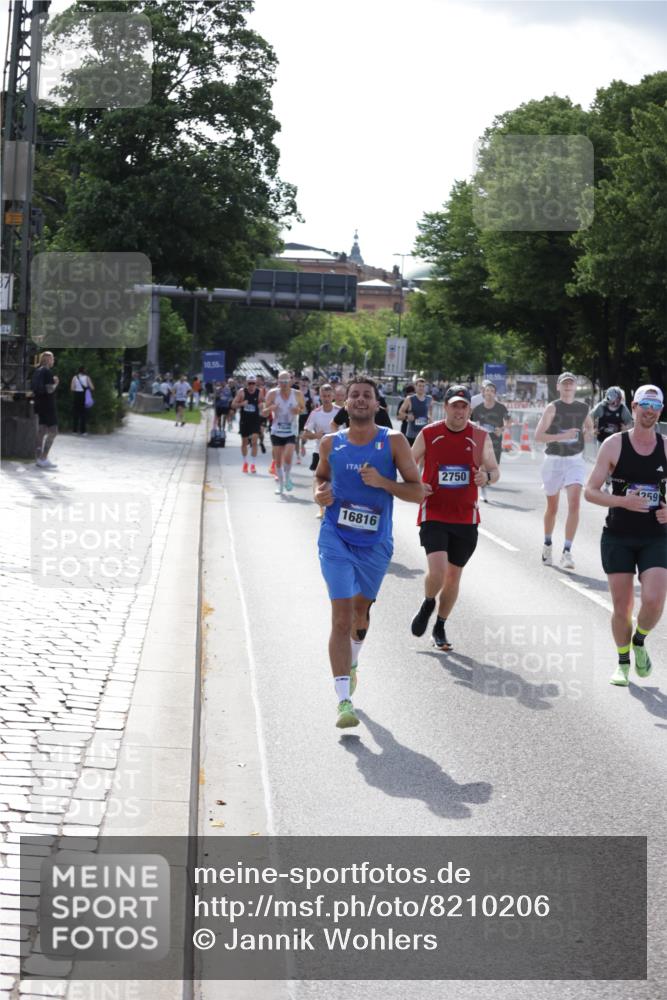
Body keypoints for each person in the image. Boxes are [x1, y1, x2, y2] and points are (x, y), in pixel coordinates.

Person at [314, 377, 427, 728]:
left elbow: (418, 491)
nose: (361, 400)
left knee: (361, 613)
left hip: (376, 543)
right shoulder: (330, 443)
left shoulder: (392, 441)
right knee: (341, 617)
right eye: (355, 396)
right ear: (345, 404)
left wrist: (384, 483)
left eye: (367, 396)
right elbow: (320, 478)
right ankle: (343, 700)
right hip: (335, 536)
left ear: (378, 404)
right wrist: (320, 494)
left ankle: (354, 661)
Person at [584, 385, 667, 686]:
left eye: (655, 406)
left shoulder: (665, 446)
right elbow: (590, 491)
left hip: (655, 535)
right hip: (618, 534)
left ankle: (640, 640)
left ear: (660, 410)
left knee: (655, 601)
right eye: (645, 404)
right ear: (633, 407)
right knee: (622, 606)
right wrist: (622, 501)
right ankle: (622, 663)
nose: (650, 410)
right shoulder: (613, 445)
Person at [409, 384, 500, 651]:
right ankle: (428, 602)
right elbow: (409, 465)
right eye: (454, 405)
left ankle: (440, 625)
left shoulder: (480, 436)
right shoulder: (429, 433)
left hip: (466, 519)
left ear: (469, 409)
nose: (459, 411)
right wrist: (416, 484)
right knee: (437, 572)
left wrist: (487, 477)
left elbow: (495, 471)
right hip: (434, 512)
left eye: (464, 406)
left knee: (453, 578)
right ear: (445, 407)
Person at [534, 372, 594, 570]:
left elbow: (589, 431)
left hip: (574, 461)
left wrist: (587, 434)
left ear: (576, 387)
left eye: (571, 384)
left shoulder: (583, 408)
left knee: (575, 504)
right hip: (553, 461)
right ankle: (547, 544)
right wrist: (563, 436)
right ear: (559, 387)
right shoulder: (552, 407)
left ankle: (567, 551)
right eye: (564, 384)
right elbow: (538, 436)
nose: (568, 387)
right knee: (552, 507)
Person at [262, 371, 305, 494]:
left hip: (291, 430)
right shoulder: (272, 394)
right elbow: (264, 413)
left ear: (291, 381)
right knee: (278, 460)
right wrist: (270, 408)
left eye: (286, 381)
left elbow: (303, 409)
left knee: (288, 456)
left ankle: (287, 478)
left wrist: (298, 410)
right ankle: (280, 485)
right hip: (276, 430)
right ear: (278, 381)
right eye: (281, 381)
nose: (284, 384)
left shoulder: (297, 394)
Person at [303, 384, 339, 517]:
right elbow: (305, 434)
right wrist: (315, 435)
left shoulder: (340, 411)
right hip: (319, 451)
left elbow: (350, 429)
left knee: (335, 479)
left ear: (333, 396)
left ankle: (334, 505)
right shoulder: (315, 413)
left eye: (329, 396)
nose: (326, 399)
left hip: (337, 452)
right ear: (320, 396)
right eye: (324, 396)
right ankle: (321, 508)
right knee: (318, 479)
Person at [471, 381, 511, 501]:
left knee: (494, 467)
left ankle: (485, 483)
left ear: (494, 394)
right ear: (484, 392)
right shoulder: (478, 409)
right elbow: (472, 423)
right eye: (487, 390)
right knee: (483, 466)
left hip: (496, 441)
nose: (489, 393)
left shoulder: (501, 407)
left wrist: (502, 429)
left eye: (492, 391)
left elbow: (509, 421)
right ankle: (483, 491)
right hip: (482, 441)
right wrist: (477, 429)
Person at [31, 351, 59, 469]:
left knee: (41, 431)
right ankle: (44, 457)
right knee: (53, 431)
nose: (53, 361)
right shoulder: (47, 372)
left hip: (39, 404)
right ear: (48, 360)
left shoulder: (37, 371)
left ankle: (39, 458)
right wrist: (56, 383)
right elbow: (49, 390)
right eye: (52, 359)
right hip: (48, 406)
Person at [233, 376, 264, 473]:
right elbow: (233, 404)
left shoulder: (259, 392)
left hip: (255, 420)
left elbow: (264, 403)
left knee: (254, 441)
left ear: (256, 383)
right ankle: (245, 462)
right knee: (244, 443)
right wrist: (241, 404)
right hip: (244, 420)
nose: (251, 385)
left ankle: (253, 465)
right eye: (249, 383)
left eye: (253, 383)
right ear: (246, 383)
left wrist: (261, 405)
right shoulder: (241, 392)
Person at [398, 378, 433, 445]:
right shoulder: (409, 399)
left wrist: (430, 418)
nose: (421, 388)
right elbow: (400, 412)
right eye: (419, 386)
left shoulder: (429, 399)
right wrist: (407, 416)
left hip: (424, 432)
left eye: (423, 386)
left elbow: (430, 413)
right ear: (415, 387)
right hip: (412, 434)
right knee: (411, 454)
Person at [70, 366, 95, 436]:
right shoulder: (87, 378)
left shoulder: (75, 377)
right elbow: (92, 387)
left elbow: (72, 388)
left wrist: (77, 388)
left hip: (76, 395)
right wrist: (87, 388)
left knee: (76, 413)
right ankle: (83, 431)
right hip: (84, 396)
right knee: (83, 414)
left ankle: (74, 430)